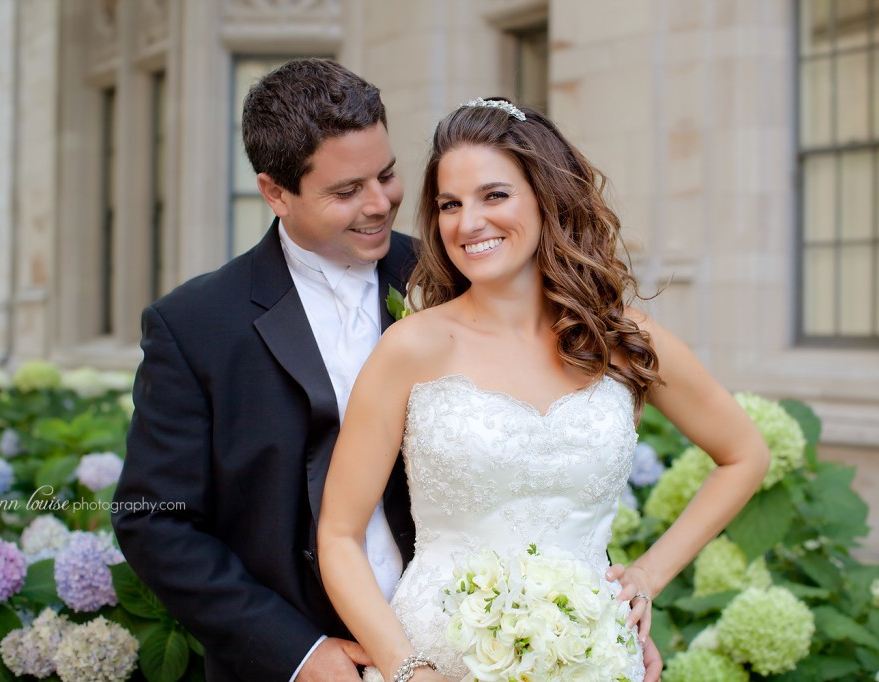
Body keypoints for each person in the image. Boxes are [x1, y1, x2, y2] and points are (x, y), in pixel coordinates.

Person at [317, 97, 771, 682]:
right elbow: (338, 535)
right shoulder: (411, 348)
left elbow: (745, 455)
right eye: (449, 204)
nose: (468, 222)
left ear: (546, 196)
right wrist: (408, 669)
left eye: (494, 195)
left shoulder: (622, 338)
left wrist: (649, 576)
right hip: (438, 661)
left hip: (591, 660)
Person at [112, 58, 419, 681]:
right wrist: (297, 654)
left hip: (459, 640)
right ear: (275, 192)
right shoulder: (194, 324)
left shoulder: (449, 278)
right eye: (345, 190)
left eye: (386, 174)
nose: (379, 203)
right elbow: (156, 519)